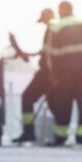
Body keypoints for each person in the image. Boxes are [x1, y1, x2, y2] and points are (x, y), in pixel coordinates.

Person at [45, 0, 82, 146]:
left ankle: (60, 137)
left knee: (63, 105)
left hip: (65, 73)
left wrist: (52, 73)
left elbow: (51, 53)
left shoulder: (57, 27)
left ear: (61, 10)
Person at [10, 8, 56, 144]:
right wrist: (28, 54)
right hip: (50, 72)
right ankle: (57, 136)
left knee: (28, 97)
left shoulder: (52, 29)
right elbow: (45, 52)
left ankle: (29, 131)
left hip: (47, 73)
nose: (43, 23)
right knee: (54, 104)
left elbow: (49, 54)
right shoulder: (52, 30)